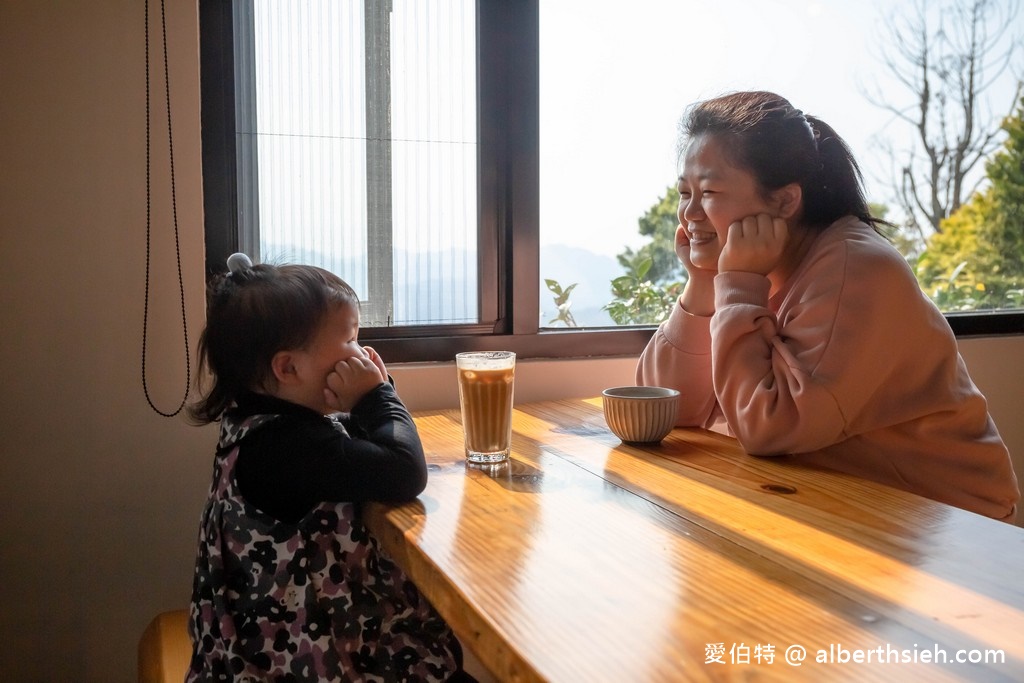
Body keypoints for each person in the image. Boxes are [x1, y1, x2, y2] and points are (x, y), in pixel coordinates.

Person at [637, 90, 1019, 523]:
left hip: (948, 521)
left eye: (707, 192)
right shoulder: (759, 270)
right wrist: (705, 283)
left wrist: (738, 287)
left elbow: (772, 427)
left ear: (784, 201)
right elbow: (671, 407)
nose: (688, 214)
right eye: (684, 192)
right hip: (843, 503)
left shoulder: (856, 269)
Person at [186, 254, 473, 681]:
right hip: (308, 661)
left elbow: (361, 455)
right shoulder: (286, 449)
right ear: (288, 367)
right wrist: (375, 398)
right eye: (351, 340)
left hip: (273, 646)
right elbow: (403, 471)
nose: (361, 353)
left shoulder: (258, 428)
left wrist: (367, 401)